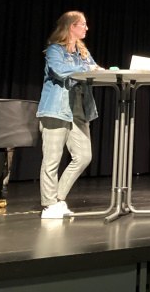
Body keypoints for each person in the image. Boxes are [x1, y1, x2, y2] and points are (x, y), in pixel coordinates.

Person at [37, 11, 101, 219]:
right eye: (82, 24)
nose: (86, 28)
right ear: (71, 26)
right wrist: (87, 67)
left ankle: (58, 199)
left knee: (84, 156)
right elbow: (60, 70)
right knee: (52, 159)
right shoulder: (55, 50)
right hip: (56, 108)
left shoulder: (82, 52)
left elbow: (95, 69)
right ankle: (48, 204)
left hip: (79, 110)